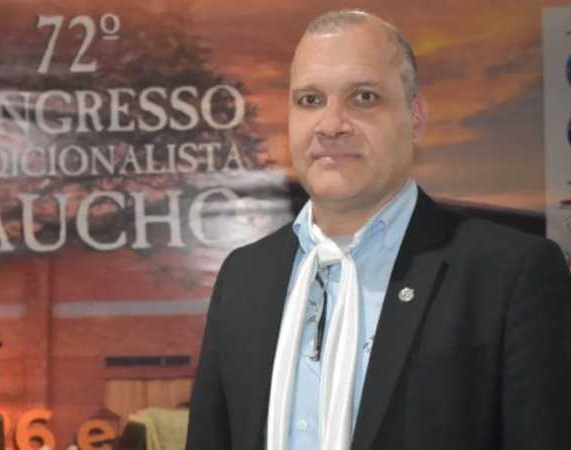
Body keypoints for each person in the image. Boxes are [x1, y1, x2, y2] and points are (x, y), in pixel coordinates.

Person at [185, 9, 571, 450]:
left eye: (363, 97)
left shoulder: (510, 275)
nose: (331, 125)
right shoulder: (243, 278)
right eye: (310, 100)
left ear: (416, 117)